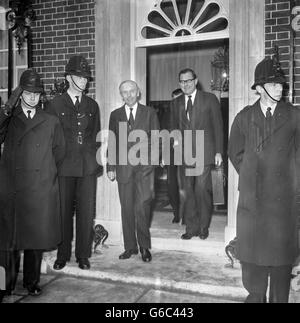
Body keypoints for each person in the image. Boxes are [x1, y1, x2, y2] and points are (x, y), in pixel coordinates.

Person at [228, 56, 300, 303]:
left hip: (283, 204)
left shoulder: (294, 115)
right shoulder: (244, 117)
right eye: (273, 83)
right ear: (259, 88)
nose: (280, 87)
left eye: (281, 83)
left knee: (280, 268)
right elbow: (234, 152)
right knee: (253, 266)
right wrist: (250, 174)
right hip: (253, 203)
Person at [0, 69, 65, 297]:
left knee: (34, 240)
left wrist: (45, 176)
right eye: (27, 93)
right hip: (12, 189)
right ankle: (2, 284)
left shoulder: (51, 121)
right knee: (6, 243)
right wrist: (9, 106)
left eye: (36, 93)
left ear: (41, 96)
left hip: (38, 188)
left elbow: (59, 153)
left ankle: (31, 282)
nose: (32, 98)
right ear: (20, 94)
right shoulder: (9, 118)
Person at [46, 55, 101, 271]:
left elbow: (96, 136)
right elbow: (50, 138)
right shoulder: (54, 104)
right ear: (69, 77)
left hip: (87, 167)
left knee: (86, 213)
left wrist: (95, 162)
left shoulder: (92, 105)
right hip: (63, 166)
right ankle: (63, 254)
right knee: (63, 213)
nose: (85, 81)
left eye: (86, 77)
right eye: (80, 76)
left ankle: (83, 255)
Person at [107, 80, 159, 262]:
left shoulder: (150, 113)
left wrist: (151, 163)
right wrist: (111, 166)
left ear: (138, 92)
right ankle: (130, 247)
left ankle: (144, 246)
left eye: (131, 91)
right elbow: (112, 142)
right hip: (123, 170)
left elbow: (156, 139)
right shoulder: (115, 115)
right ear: (121, 95)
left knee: (142, 208)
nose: (128, 95)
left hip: (144, 169)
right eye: (124, 92)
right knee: (127, 208)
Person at [170, 68, 223, 240]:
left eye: (188, 81)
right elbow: (173, 129)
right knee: (187, 191)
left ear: (196, 80)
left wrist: (219, 152)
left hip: (205, 152)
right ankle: (191, 228)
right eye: (182, 81)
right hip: (184, 155)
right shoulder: (175, 103)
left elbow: (218, 127)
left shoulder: (209, 99)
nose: (185, 84)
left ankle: (203, 227)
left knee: (202, 190)